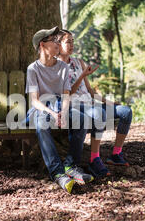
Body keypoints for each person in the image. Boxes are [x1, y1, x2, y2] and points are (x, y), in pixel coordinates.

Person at [25, 26, 93, 194]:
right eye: (54, 40)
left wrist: (62, 112)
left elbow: (65, 95)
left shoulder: (63, 67)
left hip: (60, 106)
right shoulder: (33, 69)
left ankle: (71, 165)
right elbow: (34, 100)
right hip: (41, 108)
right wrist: (52, 113)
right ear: (42, 45)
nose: (57, 43)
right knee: (42, 123)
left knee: (82, 118)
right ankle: (57, 172)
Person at [57, 29, 133, 178]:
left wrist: (109, 102)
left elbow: (90, 91)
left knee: (125, 111)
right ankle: (94, 159)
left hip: (91, 103)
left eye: (73, 41)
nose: (71, 45)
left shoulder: (79, 62)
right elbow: (66, 93)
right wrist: (82, 76)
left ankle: (116, 154)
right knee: (100, 113)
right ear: (58, 45)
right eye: (68, 42)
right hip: (75, 106)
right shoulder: (56, 67)